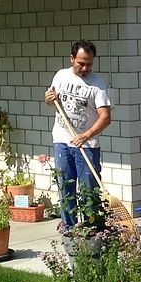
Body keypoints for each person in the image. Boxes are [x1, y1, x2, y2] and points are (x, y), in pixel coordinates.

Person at [44, 40, 112, 232]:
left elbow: (106, 118)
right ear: (72, 58)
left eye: (89, 64)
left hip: (87, 145)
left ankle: (92, 230)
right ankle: (69, 228)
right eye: (81, 63)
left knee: (89, 191)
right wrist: (48, 99)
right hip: (62, 141)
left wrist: (85, 135)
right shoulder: (60, 76)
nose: (85, 68)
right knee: (65, 186)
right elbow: (51, 100)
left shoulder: (97, 85)